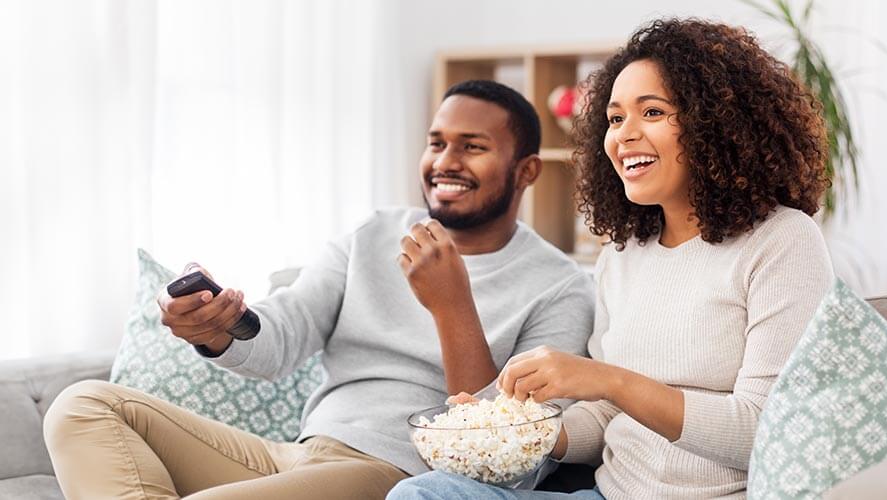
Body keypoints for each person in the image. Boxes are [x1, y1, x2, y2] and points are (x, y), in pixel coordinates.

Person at [42, 80, 595, 500]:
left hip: (398, 475)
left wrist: (452, 306)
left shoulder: (560, 288)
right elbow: (282, 334)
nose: (444, 163)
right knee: (82, 405)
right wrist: (220, 326)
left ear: (525, 172)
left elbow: (505, 455)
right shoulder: (374, 233)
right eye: (436, 142)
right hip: (299, 456)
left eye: (472, 147)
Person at [388, 17, 835, 500]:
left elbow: (765, 431)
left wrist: (606, 380)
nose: (624, 135)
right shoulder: (622, 256)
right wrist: (516, 428)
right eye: (616, 118)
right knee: (424, 493)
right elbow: (604, 419)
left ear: (717, 124)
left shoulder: (783, 241)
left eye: (653, 112)